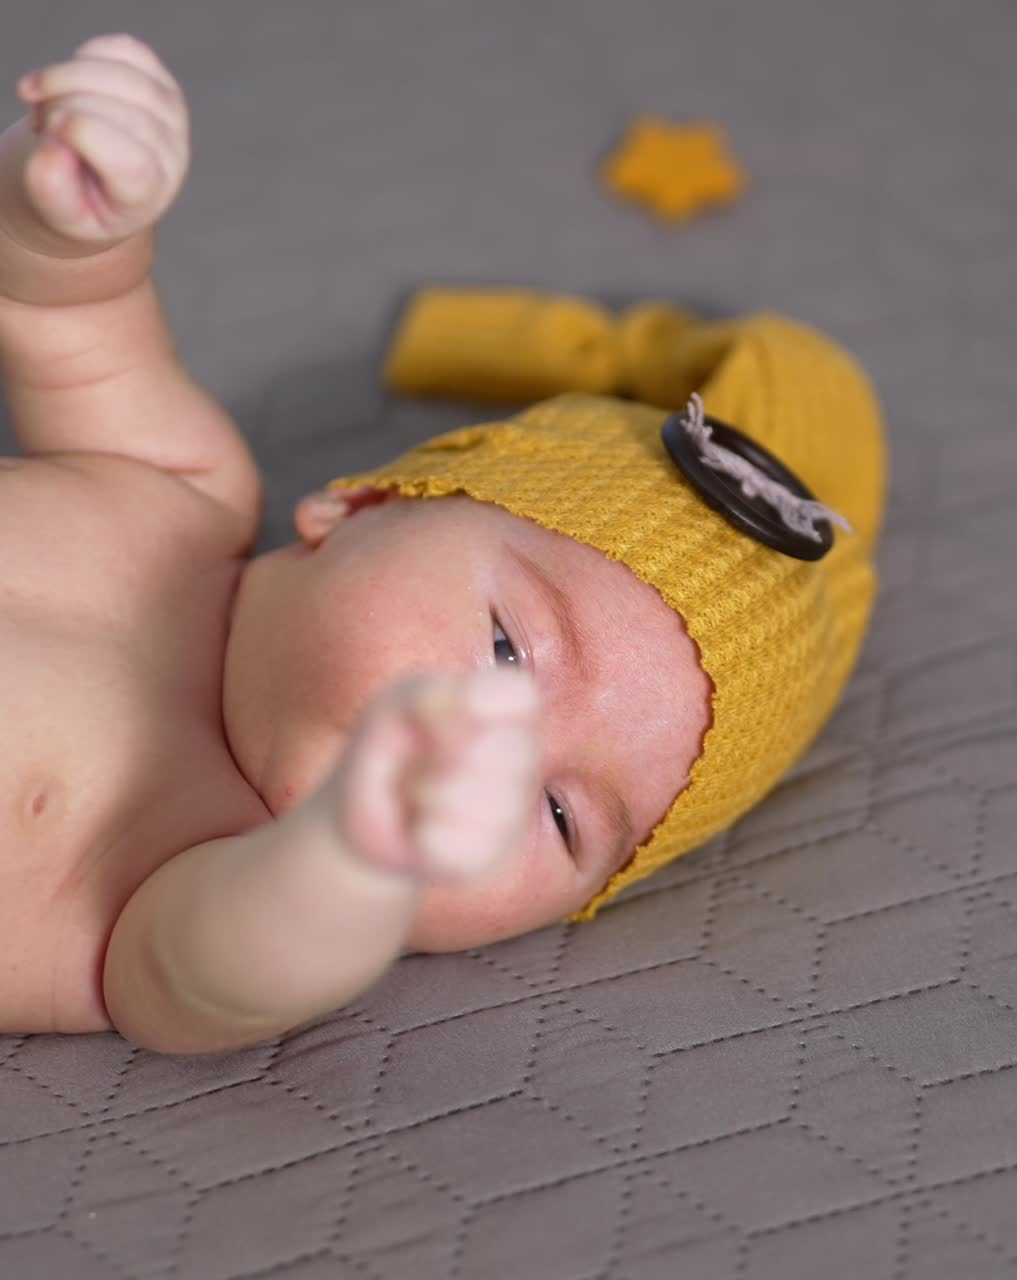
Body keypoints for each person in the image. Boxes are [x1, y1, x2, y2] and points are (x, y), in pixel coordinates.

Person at [0, 35, 885, 1054]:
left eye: (561, 818)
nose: (499, 760)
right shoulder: (180, 485)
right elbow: (59, 309)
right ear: (358, 506)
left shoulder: (210, 866)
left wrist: (349, 859)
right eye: (508, 649)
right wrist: (72, 208)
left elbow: (205, 976)